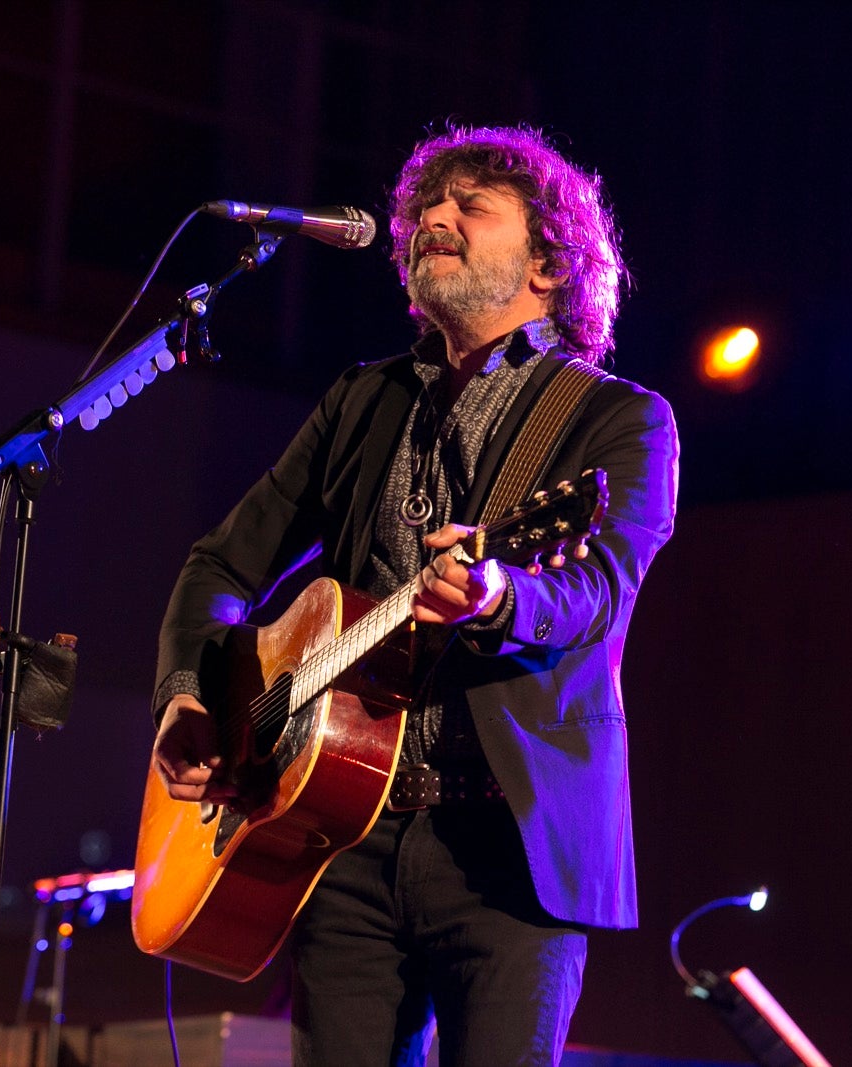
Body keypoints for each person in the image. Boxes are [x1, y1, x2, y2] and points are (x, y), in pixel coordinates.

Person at [149, 124, 679, 1067]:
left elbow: (596, 589)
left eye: (471, 206)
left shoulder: (620, 419)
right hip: (337, 837)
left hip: (511, 849)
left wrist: (498, 595)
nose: (434, 217)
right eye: (426, 207)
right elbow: (221, 567)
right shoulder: (363, 398)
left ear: (551, 264)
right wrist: (190, 692)